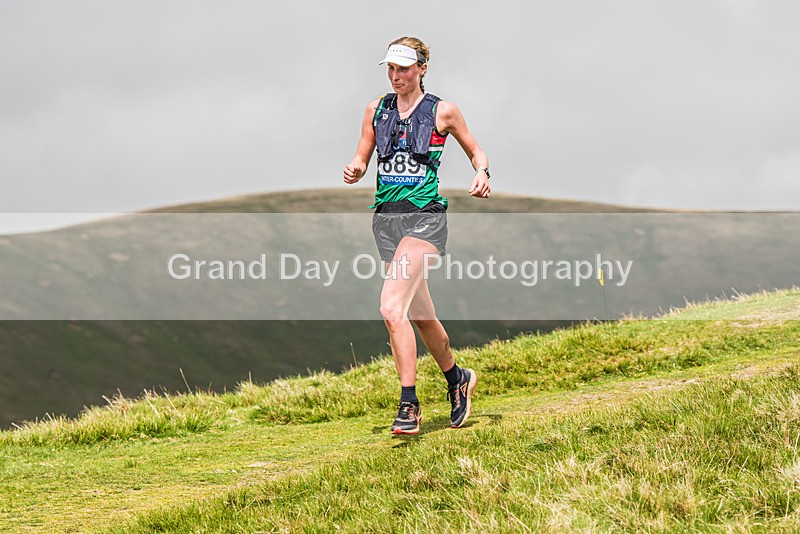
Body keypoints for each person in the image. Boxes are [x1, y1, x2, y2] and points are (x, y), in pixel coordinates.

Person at [343, 36, 491, 434]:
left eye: (404, 69)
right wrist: (356, 169)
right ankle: (457, 378)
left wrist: (481, 172)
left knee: (392, 308)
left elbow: (476, 150)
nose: (396, 76)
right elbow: (363, 154)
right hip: (386, 222)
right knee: (422, 316)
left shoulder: (443, 111)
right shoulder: (376, 109)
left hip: (425, 219)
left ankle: (408, 404)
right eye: (390, 68)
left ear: (422, 68)